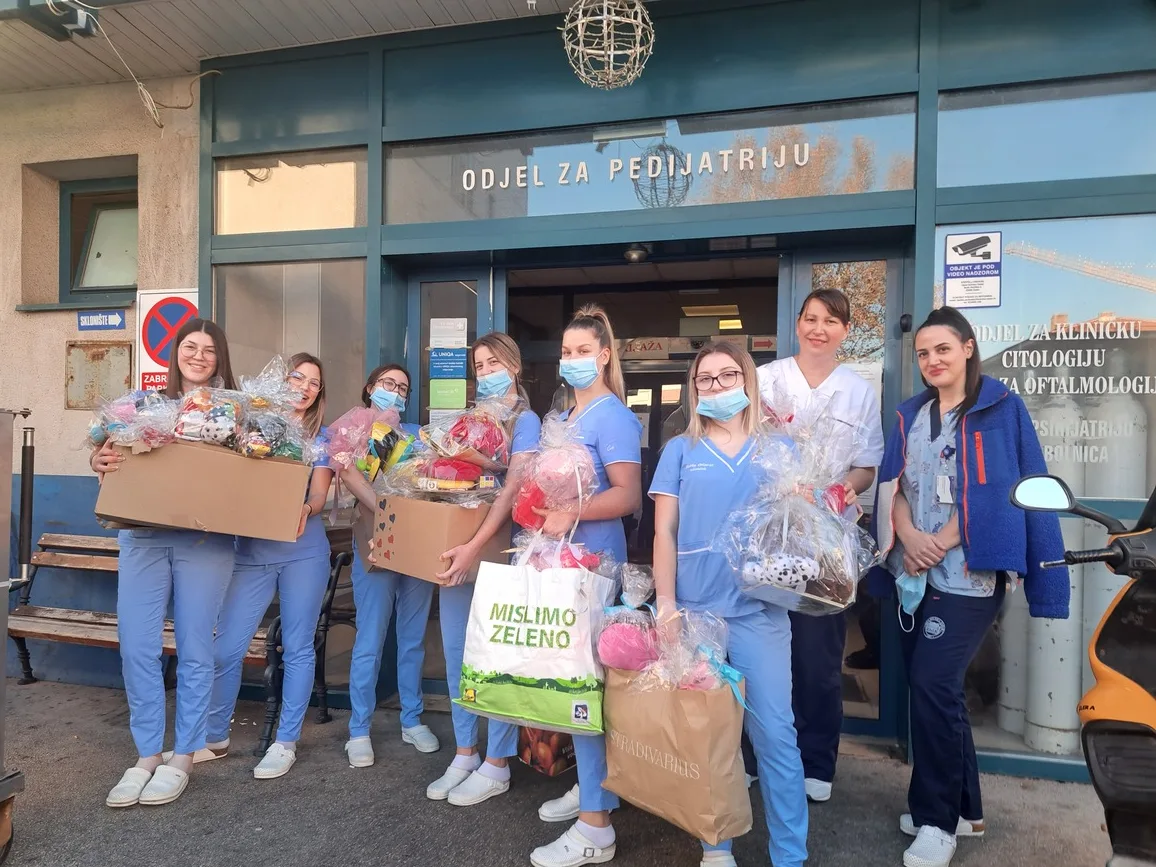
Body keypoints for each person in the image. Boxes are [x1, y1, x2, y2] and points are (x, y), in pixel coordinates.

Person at [869, 306, 1069, 867]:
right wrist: (909, 536)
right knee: (938, 692)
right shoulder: (910, 415)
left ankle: (936, 823)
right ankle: (965, 809)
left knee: (933, 684)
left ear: (968, 348)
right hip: (913, 572)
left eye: (943, 349)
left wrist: (940, 541)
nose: (932, 360)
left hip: (969, 575)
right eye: (923, 353)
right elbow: (893, 486)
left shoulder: (1001, 408)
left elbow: (1008, 487)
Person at [650, 341, 808, 867]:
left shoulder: (779, 450)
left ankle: (790, 854)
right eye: (705, 379)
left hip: (760, 614)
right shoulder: (680, 451)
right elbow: (664, 532)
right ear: (694, 389)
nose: (716, 386)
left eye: (727, 375)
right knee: (709, 738)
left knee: (776, 737)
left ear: (747, 381)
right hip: (697, 614)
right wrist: (666, 604)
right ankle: (715, 846)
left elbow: (798, 531)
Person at [91, 319, 238, 808]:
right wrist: (98, 460)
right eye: (190, 347)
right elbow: (108, 452)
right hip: (143, 537)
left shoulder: (235, 415)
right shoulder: (142, 406)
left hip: (205, 540)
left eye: (209, 350)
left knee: (196, 648)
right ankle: (147, 753)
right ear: (175, 353)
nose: (198, 356)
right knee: (137, 646)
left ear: (220, 359)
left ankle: (184, 755)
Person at [752, 288, 884, 802]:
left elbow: (867, 465)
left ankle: (816, 763)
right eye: (810, 318)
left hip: (827, 538)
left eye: (831, 321)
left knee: (819, 658)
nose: (818, 329)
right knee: (761, 649)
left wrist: (841, 488)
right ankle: (755, 755)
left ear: (845, 331)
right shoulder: (766, 379)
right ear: (798, 325)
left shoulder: (858, 391)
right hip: (769, 531)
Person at [528, 305, 642, 867]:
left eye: (583, 351)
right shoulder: (565, 416)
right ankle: (593, 786)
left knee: (587, 684)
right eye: (565, 352)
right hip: (562, 559)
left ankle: (596, 826)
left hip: (594, 565)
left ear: (604, 356)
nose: (572, 360)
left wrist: (568, 513)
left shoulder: (612, 416)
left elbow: (628, 496)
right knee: (574, 679)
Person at [205, 353, 335, 779]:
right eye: (298, 377)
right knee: (227, 647)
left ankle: (286, 742)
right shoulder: (251, 425)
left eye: (314, 382)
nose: (305, 387)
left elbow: (320, 494)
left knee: (297, 647)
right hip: (252, 553)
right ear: (283, 380)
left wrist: (307, 509)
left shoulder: (321, 438)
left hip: (303, 551)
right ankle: (213, 736)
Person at [428, 332, 542, 806]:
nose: (487, 372)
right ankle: (464, 752)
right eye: (479, 366)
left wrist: (474, 547)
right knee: (457, 652)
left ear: (514, 366)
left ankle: (497, 763)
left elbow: (514, 488)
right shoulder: (469, 421)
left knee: (494, 656)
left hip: (497, 549)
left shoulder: (527, 421)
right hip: (457, 545)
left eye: (494, 363)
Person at [340, 364, 441, 766]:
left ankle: (411, 718)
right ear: (370, 388)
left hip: (415, 541)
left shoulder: (416, 434)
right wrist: (385, 511)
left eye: (402, 388)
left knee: (413, 637)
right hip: (374, 538)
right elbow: (347, 473)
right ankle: (358, 729)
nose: (395, 392)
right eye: (387, 384)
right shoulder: (353, 427)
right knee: (370, 638)